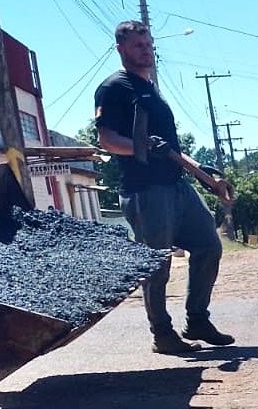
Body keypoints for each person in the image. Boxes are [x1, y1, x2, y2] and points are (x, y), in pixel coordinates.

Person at [94, 20, 235, 354]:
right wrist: (139, 146)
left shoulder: (150, 88)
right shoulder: (114, 88)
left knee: (208, 246)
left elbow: (169, 147)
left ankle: (197, 319)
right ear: (121, 49)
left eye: (148, 43)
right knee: (157, 264)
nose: (146, 50)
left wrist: (206, 175)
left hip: (177, 185)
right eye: (138, 45)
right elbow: (107, 139)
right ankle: (162, 334)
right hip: (145, 190)